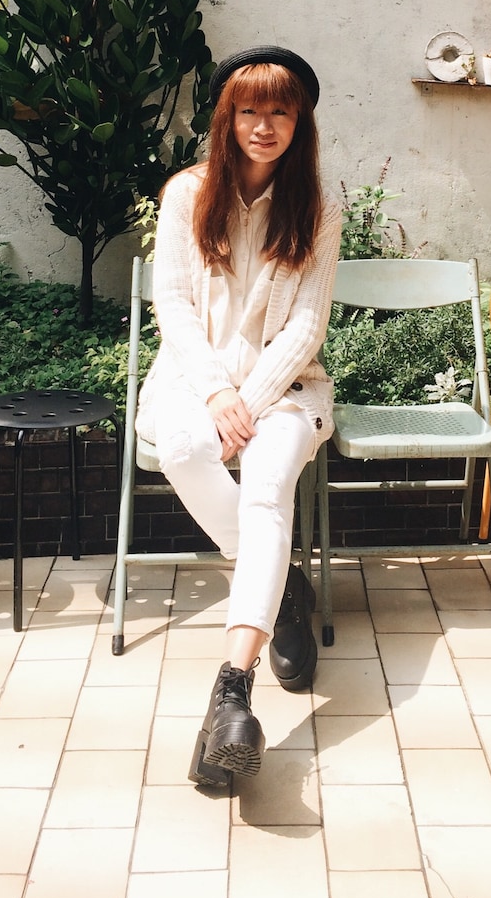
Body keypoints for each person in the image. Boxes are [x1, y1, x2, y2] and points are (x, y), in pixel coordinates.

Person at [134, 44, 341, 787]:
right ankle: (281, 590)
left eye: (280, 111)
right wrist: (219, 394)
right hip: (194, 382)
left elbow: (306, 326)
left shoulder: (319, 204)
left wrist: (247, 403)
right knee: (184, 448)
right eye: (249, 109)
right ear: (226, 118)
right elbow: (173, 303)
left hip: (286, 389)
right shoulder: (187, 194)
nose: (263, 124)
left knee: (266, 486)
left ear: (300, 122)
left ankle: (233, 690)